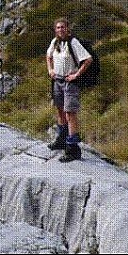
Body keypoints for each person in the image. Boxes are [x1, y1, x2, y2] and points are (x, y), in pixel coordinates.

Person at [46, 17, 93, 162]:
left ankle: (73, 148)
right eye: (58, 27)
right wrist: (50, 70)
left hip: (69, 82)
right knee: (60, 110)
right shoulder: (55, 42)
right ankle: (61, 139)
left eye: (63, 27)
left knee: (70, 114)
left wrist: (76, 75)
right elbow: (48, 56)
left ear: (68, 28)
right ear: (55, 30)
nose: (61, 30)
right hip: (57, 80)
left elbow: (88, 59)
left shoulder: (73, 42)